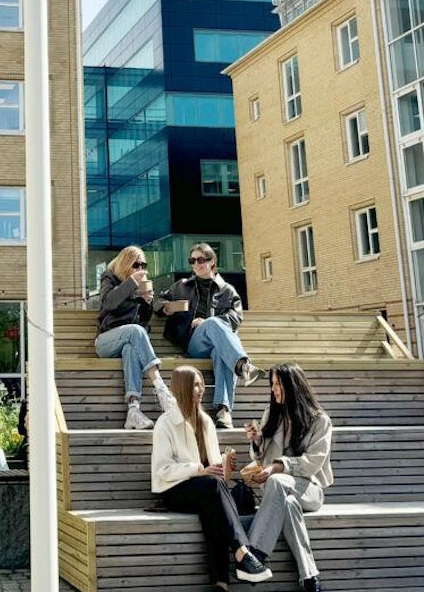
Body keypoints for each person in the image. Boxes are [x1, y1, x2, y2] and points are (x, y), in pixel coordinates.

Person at [153, 366, 273, 589]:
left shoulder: (206, 421)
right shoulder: (165, 423)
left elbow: (218, 474)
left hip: (208, 490)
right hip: (175, 491)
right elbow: (162, 470)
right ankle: (243, 553)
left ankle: (221, 584)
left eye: (201, 384)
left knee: (218, 507)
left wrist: (226, 466)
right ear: (182, 388)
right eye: (195, 385)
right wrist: (197, 469)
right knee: (213, 493)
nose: (202, 390)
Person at [244, 363, 333, 592]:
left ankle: (255, 553)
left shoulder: (320, 420)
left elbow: (313, 462)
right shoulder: (271, 414)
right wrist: (257, 442)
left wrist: (277, 467)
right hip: (280, 493)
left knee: (277, 481)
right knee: (289, 504)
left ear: (292, 386)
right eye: (272, 384)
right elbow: (261, 458)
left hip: (309, 491)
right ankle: (310, 577)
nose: (273, 389)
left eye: (278, 384)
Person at [160, 243, 260, 428]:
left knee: (221, 352)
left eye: (200, 260)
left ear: (212, 261)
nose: (196, 264)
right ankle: (244, 366)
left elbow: (236, 318)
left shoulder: (227, 290)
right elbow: (159, 300)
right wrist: (165, 307)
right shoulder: (182, 286)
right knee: (213, 324)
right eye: (192, 261)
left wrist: (207, 322)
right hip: (195, 344)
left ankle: (224, 411)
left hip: (219, 346)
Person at [97, 245, 176, 430]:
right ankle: (161, 388)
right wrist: (131, 282)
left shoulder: (140, 286)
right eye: (136, 264)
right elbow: (109, 302)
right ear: (126, 264)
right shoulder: (110, 278)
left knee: (130, 350)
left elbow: (143, 321)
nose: (140, 268)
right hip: (105, 341)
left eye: (143, 265)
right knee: (134, 331)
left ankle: (133, 410)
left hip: (129, 340)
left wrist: (146, 301)